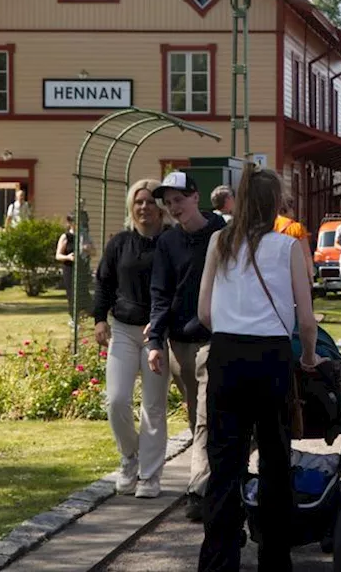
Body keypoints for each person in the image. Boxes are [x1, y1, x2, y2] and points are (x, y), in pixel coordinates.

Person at [195, 165, 319, 570]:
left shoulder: (219, 242)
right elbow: (306, 319)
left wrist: (232, 327)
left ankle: (219, 556)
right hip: (271, 358)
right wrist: (307, 356)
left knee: (224, 462)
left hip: (227, 354)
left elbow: (204, 311)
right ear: (275, 205)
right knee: (274, 460)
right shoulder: (286, 247)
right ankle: (274, 556)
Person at [147, 170, 228, 522]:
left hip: (216, 338)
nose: (173, 208)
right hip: (179, 341)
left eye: (178, 200)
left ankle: (199, 492)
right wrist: (154, 342)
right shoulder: (167, 242)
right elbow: (160, 294)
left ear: (196, 196)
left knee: (206, 418)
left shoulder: (223, 234)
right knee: (200, 415)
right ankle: (223, 474)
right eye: (168, 203)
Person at [93, 179, 171, 499]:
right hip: (123, 329)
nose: (144, 207)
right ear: (131, 206)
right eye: (138, 202)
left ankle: (150, 475)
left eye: (151, 202)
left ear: (161, 208)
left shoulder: (171, 242)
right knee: (116, 400)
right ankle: (130, 457)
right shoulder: (120, 243)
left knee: (153, 406)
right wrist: (99, 319)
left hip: (158, 332)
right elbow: (104, 282)